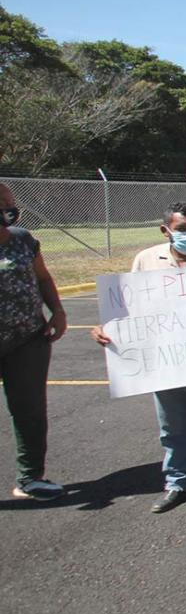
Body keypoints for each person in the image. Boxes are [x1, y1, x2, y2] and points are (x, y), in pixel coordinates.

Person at [91, 202, 186, 512]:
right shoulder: (146, 261)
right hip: (166, 364)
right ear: (166, 231)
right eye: (183, 229)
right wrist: (107, 329)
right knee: (173, 429)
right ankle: (178, 482)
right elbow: (128, 309)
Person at [0, 184, 67, 501]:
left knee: (29, 409)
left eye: (10, 202)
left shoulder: (24, 239)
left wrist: (56, 310)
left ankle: (30, 478)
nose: (8, 208)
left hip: (28, 339)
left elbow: (42, 277)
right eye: (2, 202)